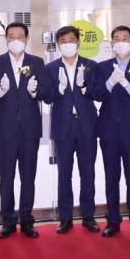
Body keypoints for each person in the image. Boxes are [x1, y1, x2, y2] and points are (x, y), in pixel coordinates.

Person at [41, 26, 102, 234]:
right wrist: (58, 88)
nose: (67, 44)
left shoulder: (91, 65)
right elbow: (46, 97)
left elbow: (98, 93)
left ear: (78, 42)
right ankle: (65, 218)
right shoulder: (50, 68)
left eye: (71, 40)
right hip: (63, 128)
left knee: (88, 174)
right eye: (63, 41)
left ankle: (88, 216)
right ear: (58, 44)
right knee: (64, 174)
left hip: (87, 127)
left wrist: (84, 87)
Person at [0, 22, 44, 239]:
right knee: (7, 177)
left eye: (20, 36)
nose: (16, 40)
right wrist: (0, 91)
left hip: (30, 129)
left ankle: (27, 220)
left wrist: (35, 91)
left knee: (28, 176)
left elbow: (45, 91)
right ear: (6, 39)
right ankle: (8, 221)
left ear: (27, 39)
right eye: (11, 36)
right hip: (5, 129)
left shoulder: (36, 62)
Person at [97, 25, 130, 239]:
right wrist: (109, 83)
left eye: (125, 38)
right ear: (111, 43)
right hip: (108, 131)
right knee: (111, 178)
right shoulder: (102, 67)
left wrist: (128, 85)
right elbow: (96, 94)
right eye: (117, 39)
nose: (121, 42)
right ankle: (113, 221)